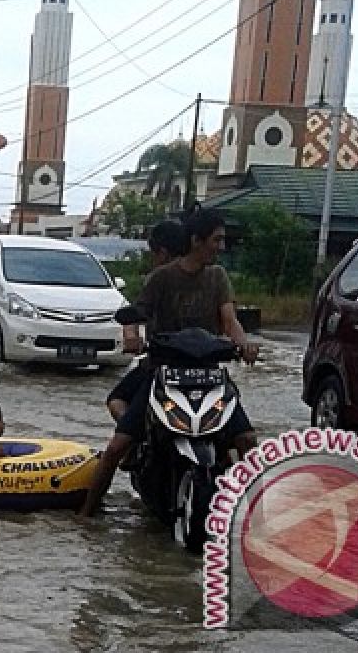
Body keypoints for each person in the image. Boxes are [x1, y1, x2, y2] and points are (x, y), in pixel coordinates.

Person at [79, 208, 260, 517]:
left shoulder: (218, 277)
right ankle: (86, 515)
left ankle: (256, 515)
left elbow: (229, 320)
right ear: (196, 240)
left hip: (209, 375)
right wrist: (132, 337)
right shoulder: (161, 278)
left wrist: (243, 344)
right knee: (117, 448)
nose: (221, 247)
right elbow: (135, 315)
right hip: (163, 372)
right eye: (216, 240)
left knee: (247, 439)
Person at [106, 219, 190, 422]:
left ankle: (135, 437)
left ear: (161, 253)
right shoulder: (212, 276)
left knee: (116, 401)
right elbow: (136, 313)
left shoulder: (157, 277)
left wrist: (132, 338)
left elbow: (136, 312)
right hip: (202, 367)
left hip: (163, 364)